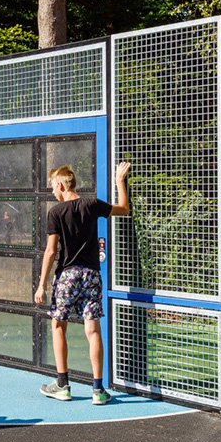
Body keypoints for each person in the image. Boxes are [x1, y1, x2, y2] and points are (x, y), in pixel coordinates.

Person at [35, 162, 131, 405]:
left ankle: (62, 384)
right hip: (91, 275)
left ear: (60, 185)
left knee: (58, 325)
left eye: (52, 188)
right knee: (92, 330)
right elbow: (124, 209)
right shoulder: (92, 204)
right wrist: (120, 180)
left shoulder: (55, 212)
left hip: (67, 276)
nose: (53, 193)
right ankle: (98, 391)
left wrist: (41, 284)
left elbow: (50, 251)